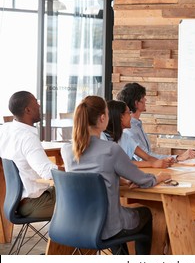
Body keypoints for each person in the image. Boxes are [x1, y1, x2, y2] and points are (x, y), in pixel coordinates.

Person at [61, 95, 171, 254]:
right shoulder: (110, 149)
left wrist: (120, 181)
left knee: (117, 216)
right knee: (145, 213)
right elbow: (144, 181)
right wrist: (160, 177)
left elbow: (88, 179)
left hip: (73, 222)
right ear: (103, 118)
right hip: (107, 226)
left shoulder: (67, 150)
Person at [0, 91, 57, 218]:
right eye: (36, 103)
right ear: (28, 110)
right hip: (34, 204)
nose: (39, 106)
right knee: (84, 200)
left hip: (13, 201)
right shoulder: (27, 138)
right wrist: (72, 173)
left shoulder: (5, 129)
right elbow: (47, 173)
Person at [116, 82, 195, 162]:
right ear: (136, 103)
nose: (145, 100)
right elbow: (144, 157)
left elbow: (148, 156)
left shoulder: (137, 125)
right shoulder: (129, 130)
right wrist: (177, 157)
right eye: (143, 97)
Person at [102, 100, 173, 168]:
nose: (131, 116)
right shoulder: (102, 137)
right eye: (128, 113)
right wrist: (152, 164)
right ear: (121, 117)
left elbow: (147, 157)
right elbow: (119, 162)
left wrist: (163, 162)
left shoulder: (125, 137)